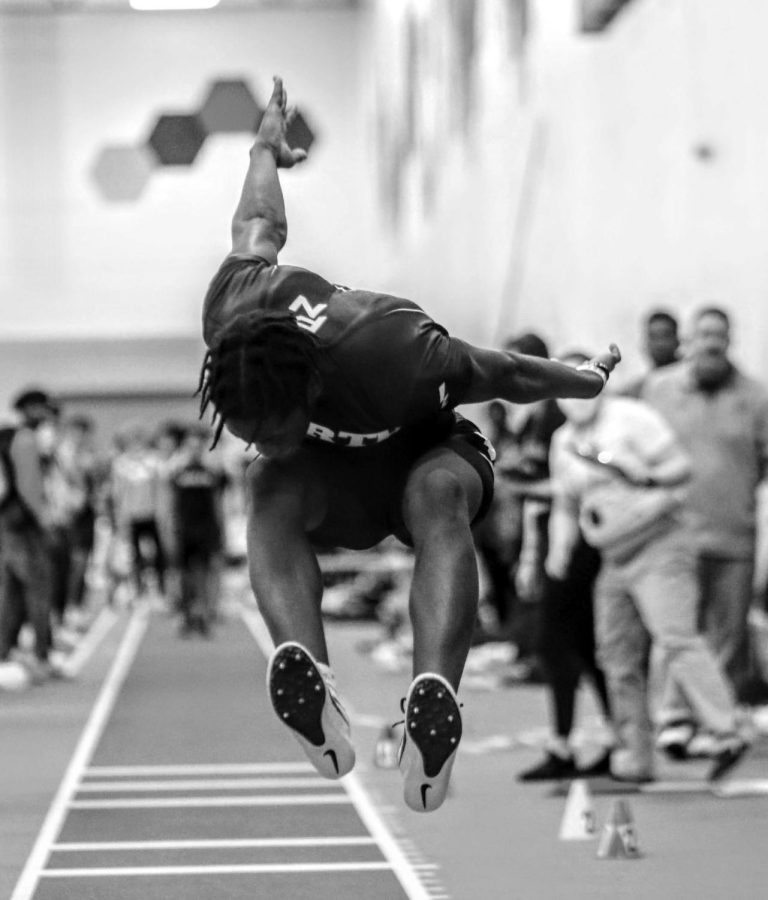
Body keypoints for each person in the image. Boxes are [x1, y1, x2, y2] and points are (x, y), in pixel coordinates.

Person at [198, 76, 621, 813]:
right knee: (266, 482)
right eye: (244, 427)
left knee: (436, 494)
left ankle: (435, 696)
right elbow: (258, 225)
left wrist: (582, 381)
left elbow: (507, 369)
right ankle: (312, 681)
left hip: (420, 453)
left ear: (309, 386)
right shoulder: (234, 316)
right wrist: (264, 148)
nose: (258, 436)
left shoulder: (395, 352)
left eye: (272, 424)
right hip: (332, 479)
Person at [550, 353, 749, 783]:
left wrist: (642, 486)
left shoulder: (632, 418)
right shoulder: (563, 442)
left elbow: (681, 471)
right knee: (615, 654)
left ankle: (726, 729)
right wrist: (556, 550)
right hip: (612, 556)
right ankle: (635, 754)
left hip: (660, 544)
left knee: (676, 638)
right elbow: (565, 503)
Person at [643, 307, 768, 708]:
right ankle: (672, 718)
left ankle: (715, 725)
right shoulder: (659, 389)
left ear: (730, 340)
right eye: (704, 334)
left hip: (734, 536)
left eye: (719, 334)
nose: (712, 342)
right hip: (672, 537)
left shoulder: (756, 397)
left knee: (726, 636)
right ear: (690, 341)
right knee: (674, 632)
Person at [169, 426, 227, 637]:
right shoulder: (177, 472)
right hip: (184, 531)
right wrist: (171, 529)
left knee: (203, 574)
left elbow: (218, 503)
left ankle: (203, 615)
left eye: (198, 447)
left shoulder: (211, 473)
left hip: (205, 530)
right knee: (184, 576)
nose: (194, 450)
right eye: (189, 447)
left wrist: (220, 530)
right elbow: (171, 503)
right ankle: (186, 615)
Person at [620, 309, 680, 399]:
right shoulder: (638, 390)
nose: (659, 344)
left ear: (677, 341)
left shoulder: (693, 385)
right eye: (653, 337)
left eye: (665, 336)